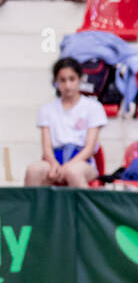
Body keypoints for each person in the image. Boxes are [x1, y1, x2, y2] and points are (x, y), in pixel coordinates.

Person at [26, 57, 105, 187]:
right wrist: (54, 165)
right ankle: (35, 207)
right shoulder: (47, 109)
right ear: (56, 82)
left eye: (72, 79)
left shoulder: (94, 107)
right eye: (62, 80)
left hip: (82, 162)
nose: (67, 85)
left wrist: (67, 166)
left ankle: (84, 208)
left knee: (73, 172)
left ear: (80, 78)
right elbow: (46, 147)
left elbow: (90, 148)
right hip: (54, 161)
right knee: (33, 170)